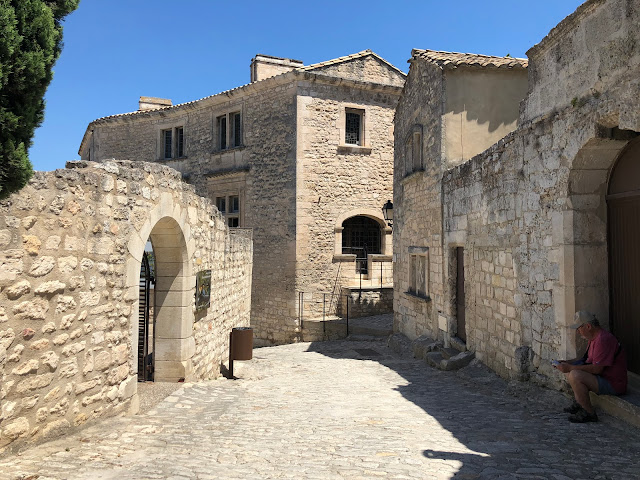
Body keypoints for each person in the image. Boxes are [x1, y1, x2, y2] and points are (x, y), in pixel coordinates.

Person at [554, 311, 627, 423]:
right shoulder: (594, 339)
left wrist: (570, 367)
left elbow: (597, 369)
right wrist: (567, 363)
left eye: (579, 328)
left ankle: (589, 412)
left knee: (575, 374)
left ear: (588, 326)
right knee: (571, 371)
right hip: (603, 378)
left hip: (613, 383)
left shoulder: (603, 340)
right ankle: (579, 402)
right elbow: (585, 360)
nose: (578, 332)